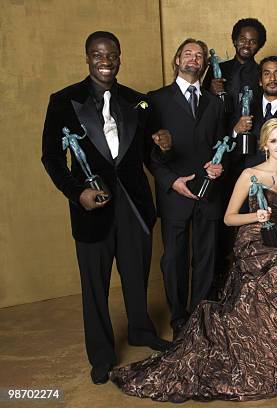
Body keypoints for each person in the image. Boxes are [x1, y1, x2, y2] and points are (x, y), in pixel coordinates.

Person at [110, 119, 277, 402]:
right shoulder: (250, 174)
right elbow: (228, 218)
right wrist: (256, 216)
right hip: (253, 242)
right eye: (274, 141)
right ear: (264, 145)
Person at [41, 31, 171, 385]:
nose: (105, 60)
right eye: (98, 54)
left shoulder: (138, 101)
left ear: (120, 57)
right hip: (91, 207)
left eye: (111, 54)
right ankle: (101, 354)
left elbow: (148, 153)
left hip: (134, 206)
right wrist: (76, 193)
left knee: (135, 275)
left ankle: (141, 330)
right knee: (94, 285)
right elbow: (51, 158)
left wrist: (163, 145)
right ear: (87, 57)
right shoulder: (63, 101)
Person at [147, 38, 225, 340]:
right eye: (188, 54)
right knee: (174, 259)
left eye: (200, 56)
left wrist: (220, 167)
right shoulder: (155, 100)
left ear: (204, 64)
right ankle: (179, 317)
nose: (194, 59)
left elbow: (223, 146)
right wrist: (170, 181)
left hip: (209, 193)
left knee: (206, 258)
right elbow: (146, 152)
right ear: (177, 60)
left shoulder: (214, 103)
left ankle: (200, 315)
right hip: (174, 195)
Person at [231, 55, 277, 170]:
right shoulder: (245, 109)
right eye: (267, 74)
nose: (272, 79)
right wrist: (236, 131)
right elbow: (231, 153)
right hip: (249, 180)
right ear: (260, 81)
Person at [203, 17, 267, 114]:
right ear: (235, 41)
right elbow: (200, 104)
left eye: (253, 42)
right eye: (242, 39)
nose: (247, 45)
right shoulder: (216, 69)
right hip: (220, 127)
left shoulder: (263, 74)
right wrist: (210, 93)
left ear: (259, 46)